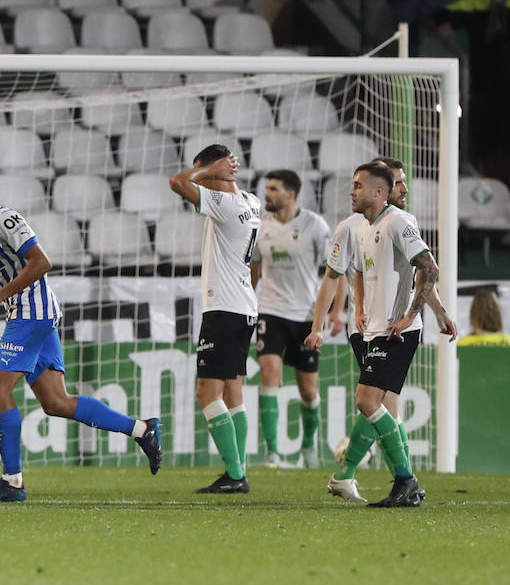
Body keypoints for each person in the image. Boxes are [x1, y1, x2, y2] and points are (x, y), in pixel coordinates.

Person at [0, 161, 162, 502]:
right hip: (28, 315)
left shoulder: (4, 218)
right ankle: (143, 429)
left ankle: (13, 481)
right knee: (55, 402)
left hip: (32, 315)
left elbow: (41, 261)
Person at [304, 161, 455, 508]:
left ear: (377, 191)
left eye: (357, 185)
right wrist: (319, 326)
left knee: (367, 401)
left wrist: (418, 315)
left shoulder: (401, 223)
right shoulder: (350, 227)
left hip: (396, 333)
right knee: (382, 406)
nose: (351, 190)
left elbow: (428, 269)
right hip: (368, 330)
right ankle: (355, 478)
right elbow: (340, 273)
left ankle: (401, 478)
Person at [168, 144, 261, 494]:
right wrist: (217, 172)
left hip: (223, 307)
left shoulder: (224, 204)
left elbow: (177, 182)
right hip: (244, 306)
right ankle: (237, 469)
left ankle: (235, 474)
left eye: (204, 174)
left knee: (207, 393)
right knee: (233, 391)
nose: (200, 183)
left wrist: (207, 171)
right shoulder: (251, 201)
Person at [249, 169, 332, 468]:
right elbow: (255, 269)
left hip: (306, 315)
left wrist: (335, 313)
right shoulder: (261, 227)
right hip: (270, 310)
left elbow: (334, 272)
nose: (267, 194)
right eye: (266, 188)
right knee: (269, 374)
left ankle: (309, 447)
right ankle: (272, 453)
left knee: (308, 389)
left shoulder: (315, 226)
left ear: (291, 194)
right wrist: (249, 303)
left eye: (273, 189)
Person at [433, 0, 510, 185]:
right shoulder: (475, 4)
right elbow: (440, 16)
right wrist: (445, 25)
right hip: (482, 84)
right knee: (483, 138)